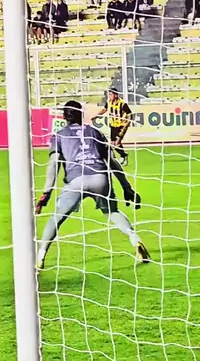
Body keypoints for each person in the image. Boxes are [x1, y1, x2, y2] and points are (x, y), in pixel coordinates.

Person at [35, 100, 149, 270]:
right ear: (81, 115)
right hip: (100, 177)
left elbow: (54, 163)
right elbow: (112, 161)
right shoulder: (95, 132)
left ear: (64, 117)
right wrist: (126, 187)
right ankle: (135, 239)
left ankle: (40, 256)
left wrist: (47, 193)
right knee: (112, 212)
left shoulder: (59, 135)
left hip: (76, 180)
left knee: (57, 218)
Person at [97, 86, 132, 165]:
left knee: (117, 142)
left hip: (121, 125)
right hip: (113, 126)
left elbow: (130, 114)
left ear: (116, 95)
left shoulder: (122, 104)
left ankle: (123, 156)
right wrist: (97, 115)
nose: (109, 96)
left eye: (111, 94)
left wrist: (127, 123)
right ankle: (123, 155)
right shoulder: (109, 102)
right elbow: (104, 109)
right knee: (113, 144)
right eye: (109, 94)